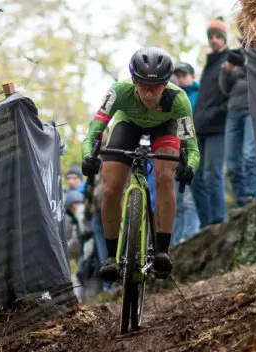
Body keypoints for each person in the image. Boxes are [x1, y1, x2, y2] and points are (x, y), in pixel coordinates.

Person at [80, 47, 201, 281]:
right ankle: (111, 258)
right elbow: (94, 132)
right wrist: (88, 155)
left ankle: (162, 252)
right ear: (133, 81)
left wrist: (190, 166)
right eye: (143, 85)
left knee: (165, 177)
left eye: (155, 87)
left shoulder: (179, 100)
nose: (148, 93)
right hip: (128, 124)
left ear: (166, 84)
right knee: (110, 188)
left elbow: (192, 147)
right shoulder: (118, 91)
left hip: (165, 127)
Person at [192, 17, 230, 227]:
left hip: (217, 128)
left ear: (224, 39)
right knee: (196, 178)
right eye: (211, 37)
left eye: (218, 37)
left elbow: (229, 97)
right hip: (199, 129)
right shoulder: (208, 65)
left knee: (212, 174)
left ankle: (218, 221)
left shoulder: (227, 62)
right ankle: (206, 224)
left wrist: (213, 114)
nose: (214, 40)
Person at [219, 45, 256, 207]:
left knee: (249, 154)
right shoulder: (234, 54)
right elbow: (224, 89)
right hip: (232, 112)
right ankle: (241, 201)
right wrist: (226, 70)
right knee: (231, 162)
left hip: (252, 109)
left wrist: (243, 63)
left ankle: (253, 194)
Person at [172, 63, 202, 244]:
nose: (180, 79)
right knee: (178, 199)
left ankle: (191, 234)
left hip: (193, 148)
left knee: (190, 196)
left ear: (192, 76)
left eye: (184, 75)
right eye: (178, 76)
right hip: (174, 149)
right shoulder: (173, 97)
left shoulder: (199, 94)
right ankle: (176, 240)